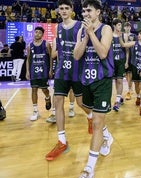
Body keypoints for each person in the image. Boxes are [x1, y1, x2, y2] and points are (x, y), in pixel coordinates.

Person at [72, 0, 114, 178]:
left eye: (89, 10)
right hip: (86, 79)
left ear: (98, 12)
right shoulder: (81, 30)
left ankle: (88, 171)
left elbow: (103, 53)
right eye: (84, 10)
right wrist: (85, 37)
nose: (86, 13)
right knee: (83, 105)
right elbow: (76, 55)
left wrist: (90, 33)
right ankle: (107, 135)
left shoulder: (106, 29)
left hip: (103, 81)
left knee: (96, 122)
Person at [45, 0, 92, 161]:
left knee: (80, 103)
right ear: (58, 10)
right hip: (61, 71)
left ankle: (91, 116)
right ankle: (62, 141)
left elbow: (86, 48)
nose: (63, 10)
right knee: (57, 101)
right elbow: (55, 52)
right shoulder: (57, 27)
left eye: (67, 8)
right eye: (61, 8)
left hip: (77, 71)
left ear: (72, 10)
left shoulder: (80, 26)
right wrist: (53, 51)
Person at [119, 28, 141, 116]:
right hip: (135, 67)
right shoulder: (134, 43)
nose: (139, 35)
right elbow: (123, 45)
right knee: (137, 86)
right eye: (138, 33)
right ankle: (138, 96)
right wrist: (119, 36)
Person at [25, 26, 52, 121]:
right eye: (36, 32)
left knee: (44, 89)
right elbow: (28, 59)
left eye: (39, 32)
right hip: (33, 71)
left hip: (44, 70)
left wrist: (50, 70)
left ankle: (48, 97)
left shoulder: (47, 44)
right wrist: (27, 71)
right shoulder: (29, 46)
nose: (37, 34)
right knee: (34, 89)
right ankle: (35, 111)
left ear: (42, 34)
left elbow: (50, 58)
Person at [112, 18, 125, 112]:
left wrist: (127, 61)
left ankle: (117, 101)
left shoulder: (123, 36)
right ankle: (118, 97)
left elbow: (125, 48)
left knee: (119, 80)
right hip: (111, 62)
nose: (120, 27)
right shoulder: (109, 35)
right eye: (119, 25)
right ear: (114, 26)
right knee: (114, 81)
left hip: (120, 61)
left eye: (121, 25)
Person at [122, 22, 136, 101]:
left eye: (129, 26)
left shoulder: (133, 36)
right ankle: (129, 88)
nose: (127, 28)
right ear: (124, 28)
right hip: (122, 56)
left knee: (129, 74)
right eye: (126, 26)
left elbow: (136, 45)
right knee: (126, 74)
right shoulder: (121, 35)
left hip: (131, 57)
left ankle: (129, 90)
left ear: (130, 27)